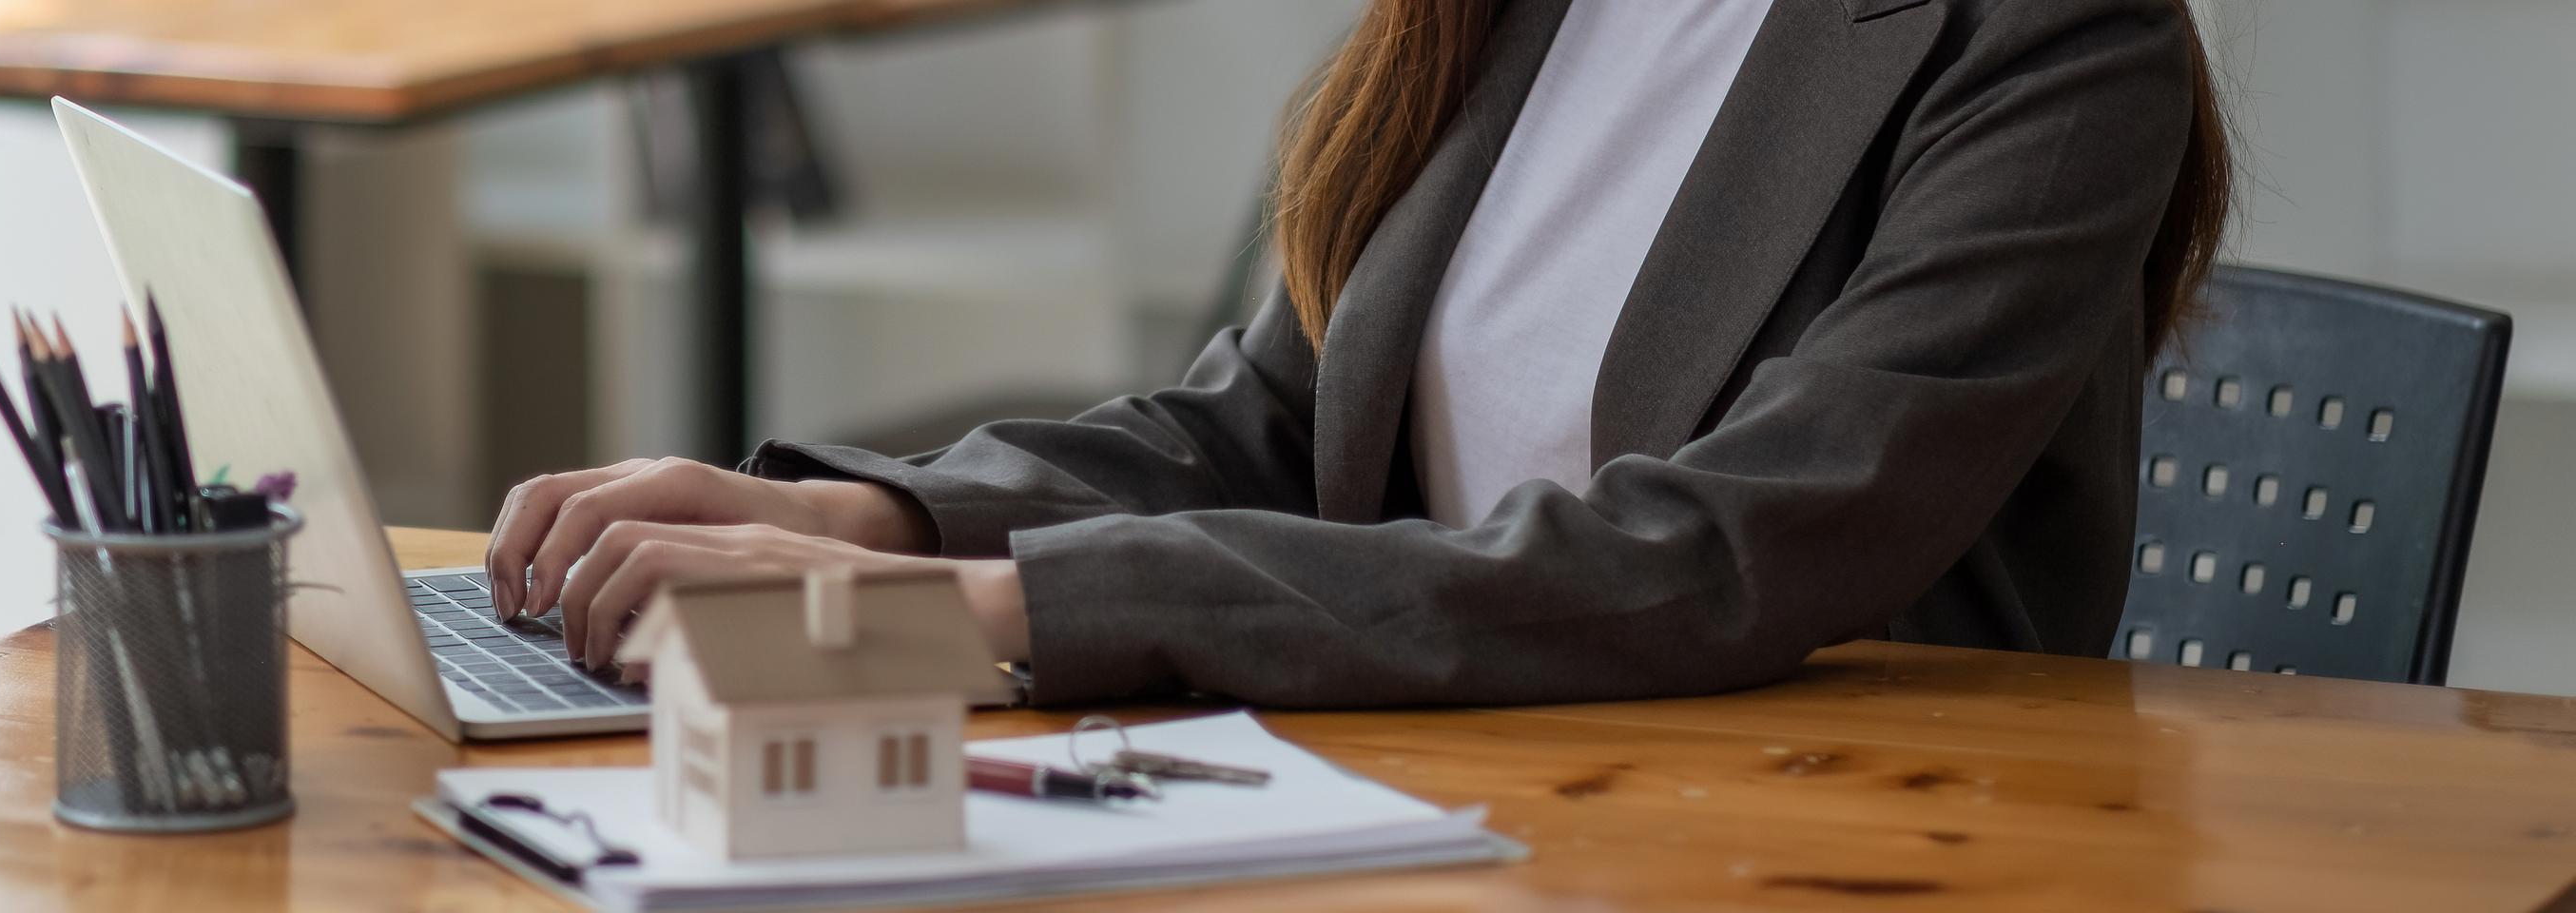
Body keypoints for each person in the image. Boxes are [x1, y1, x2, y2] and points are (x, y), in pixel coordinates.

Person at [484, 0, 2231, 708]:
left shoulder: (2058, 38)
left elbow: (1730, 552)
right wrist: (885, 526)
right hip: (1469, 778)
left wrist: (989, 616)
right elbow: (1276, 420)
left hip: (1822, 830)